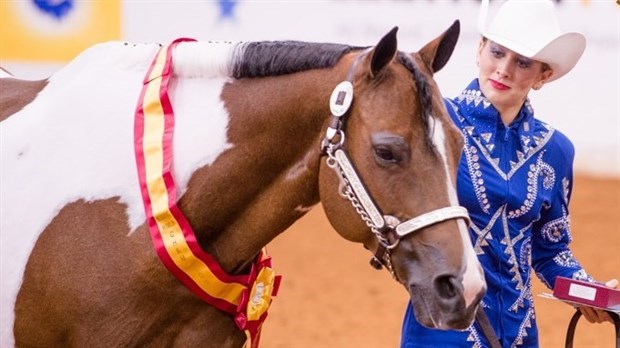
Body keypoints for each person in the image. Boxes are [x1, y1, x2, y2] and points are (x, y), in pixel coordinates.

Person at [400, 0, 618, 347]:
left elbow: (550, 250)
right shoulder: (435, 123)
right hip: (441, 329)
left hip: (519, 334)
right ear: (480, 49)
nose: (503, 69)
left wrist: (590, 292)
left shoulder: (555, 151)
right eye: (497, 52)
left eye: (523, 62)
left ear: (543, 75)